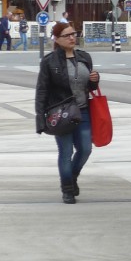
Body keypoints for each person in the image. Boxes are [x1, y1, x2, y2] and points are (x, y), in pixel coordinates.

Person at [35, 20, 100, 204]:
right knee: (65, 152)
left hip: (83, 111)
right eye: (67, 35)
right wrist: (40, 119)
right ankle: (67, 190)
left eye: (74, 34)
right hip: (60, 113)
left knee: (85, 149)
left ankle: (72, 177)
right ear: (57, 39)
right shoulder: (49, 61)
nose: (72, 38)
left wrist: (95, 80)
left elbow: (89, 85)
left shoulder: (84, 57)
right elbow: (42, 90)